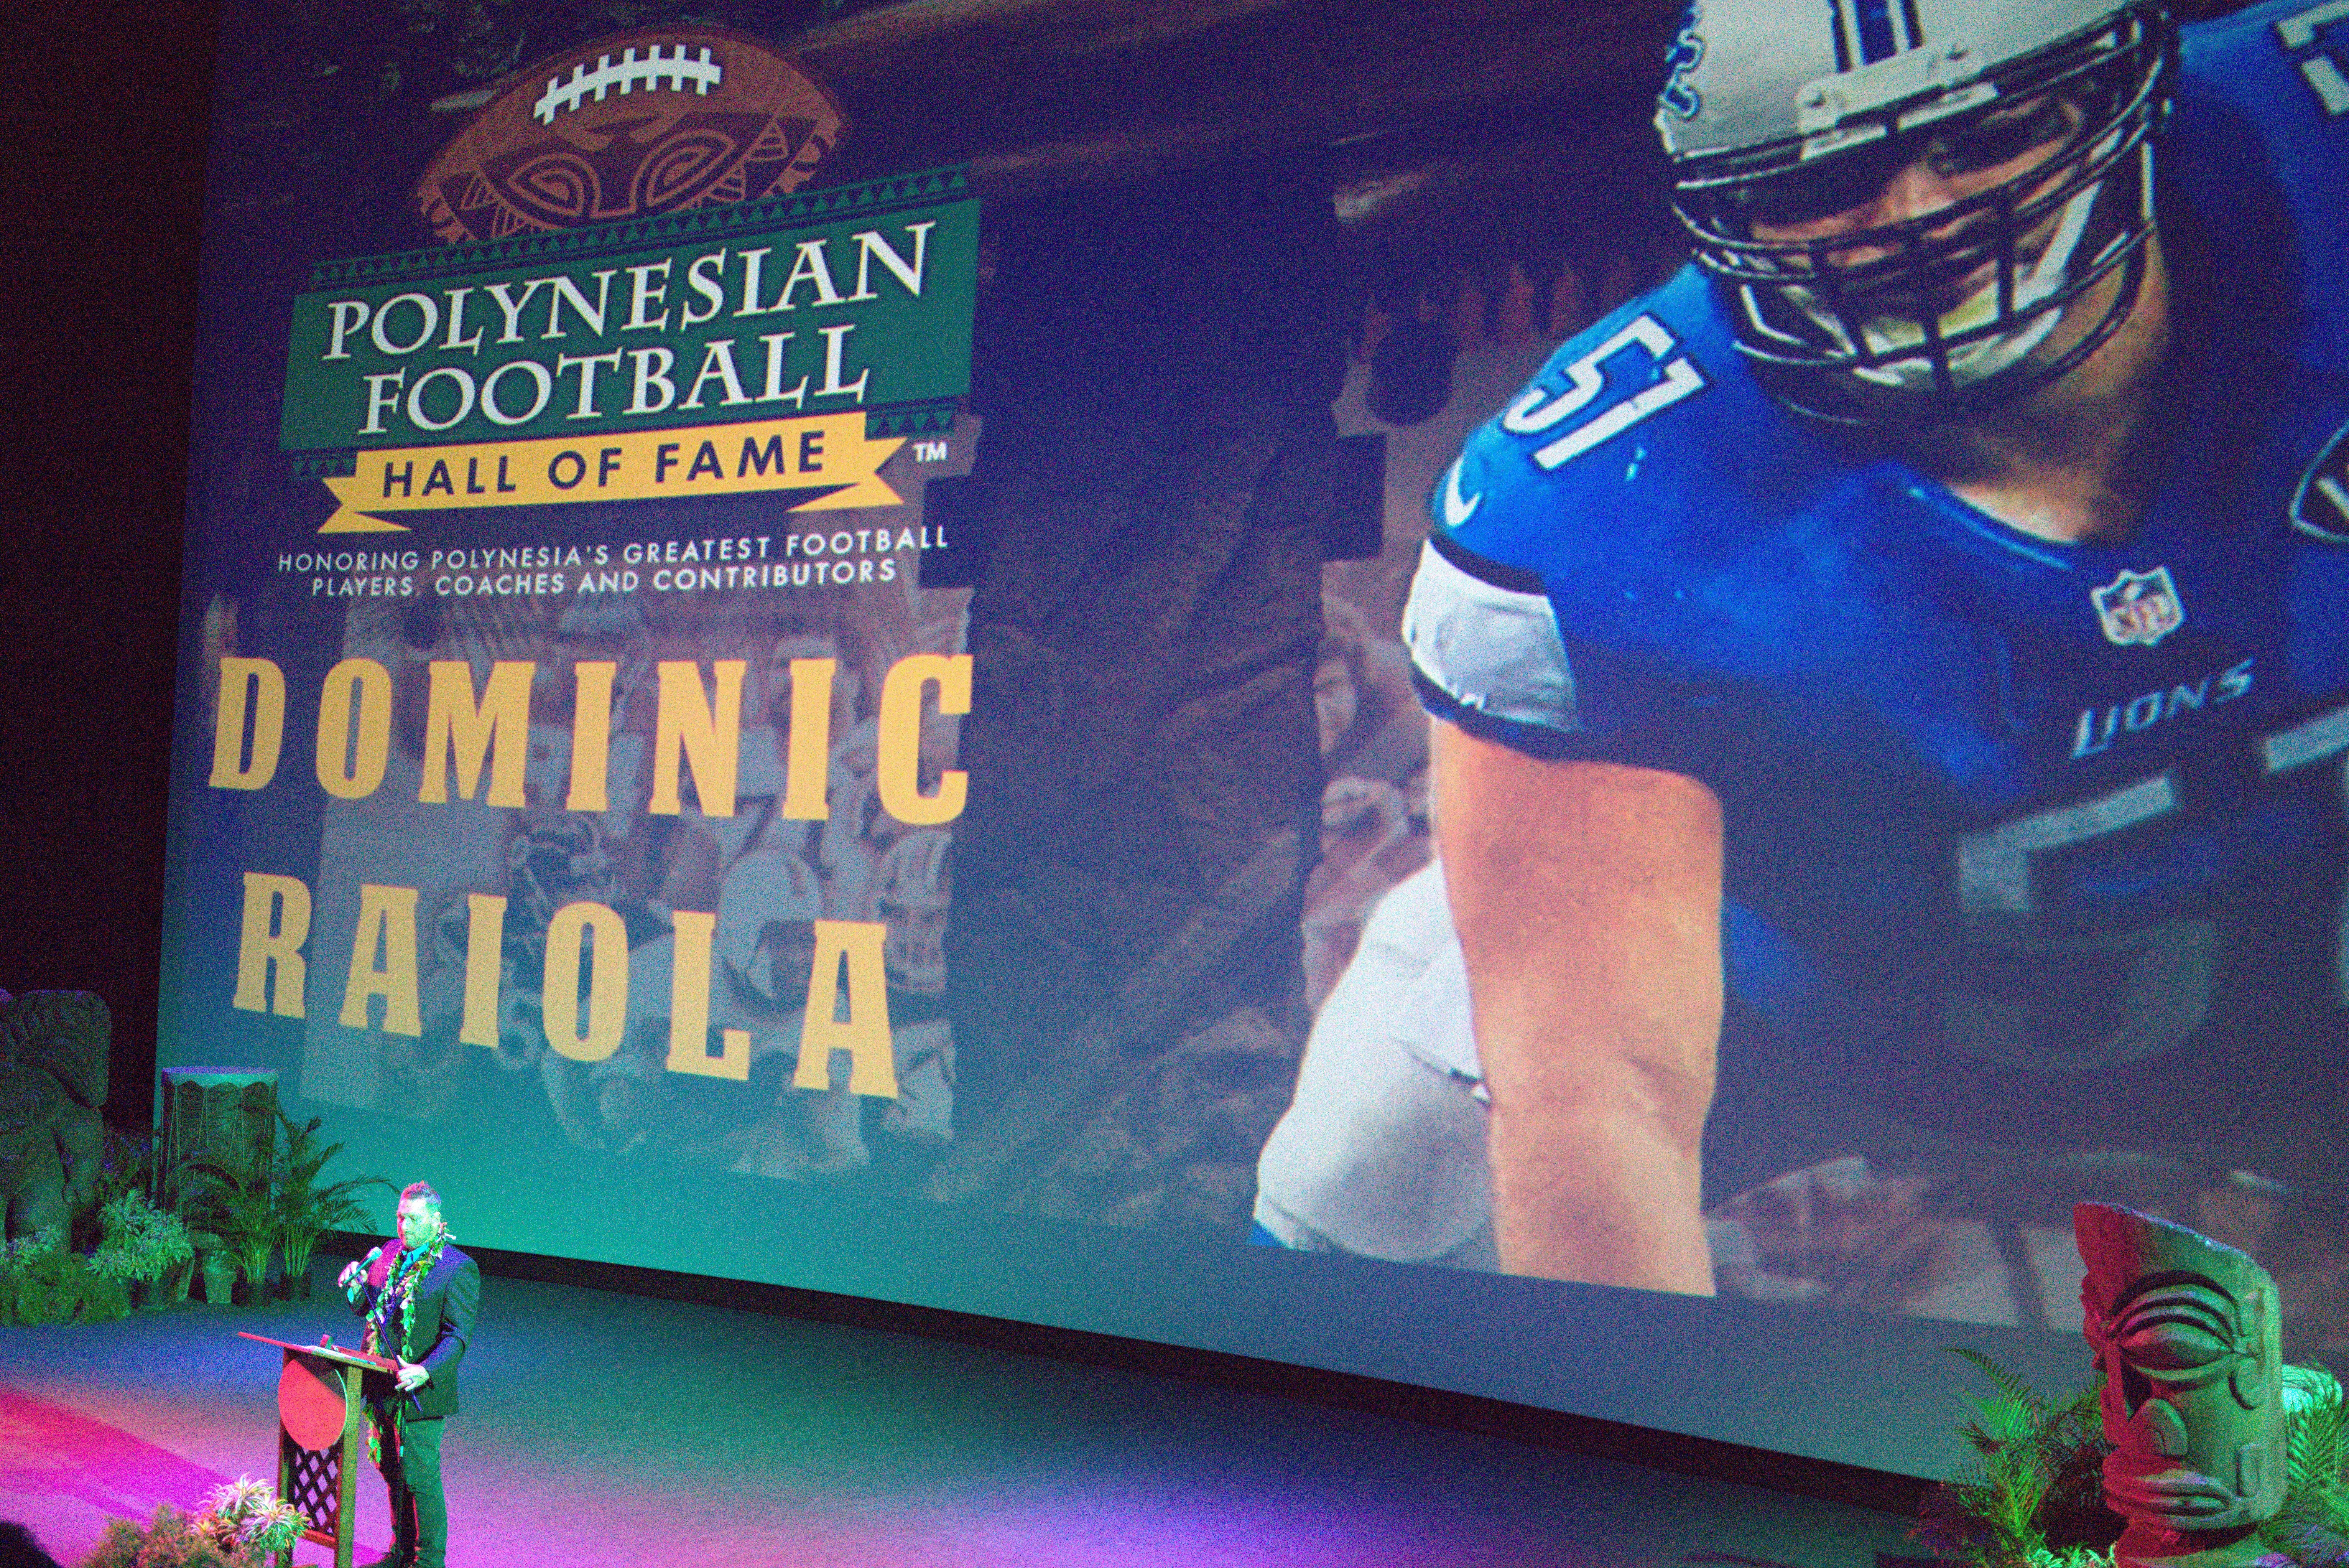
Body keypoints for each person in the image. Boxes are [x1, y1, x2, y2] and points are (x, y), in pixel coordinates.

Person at [1361, 0, 2349, 1307]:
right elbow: (1608, 1097)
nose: (1921, 216)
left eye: (1991, 135)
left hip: (2304, 1012)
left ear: (2126, 92)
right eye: (1828, 178)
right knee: (1386, 1139)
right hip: (1839, 1011)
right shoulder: (1598, 496)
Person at [340, 1182, 480, 1568]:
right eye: (401, 1217)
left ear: (437, 1221)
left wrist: (425, 1371)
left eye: (414, 1220)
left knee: (420, 1476)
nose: (404, 1226)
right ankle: (401, 1552)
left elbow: (458, 1336)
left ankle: (430, 1561)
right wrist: (355, 1290)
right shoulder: (387, 1254)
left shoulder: (457, 1267)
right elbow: (371, 1310)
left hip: (420, 1390)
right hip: (381, 1382)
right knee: (392, 1470)